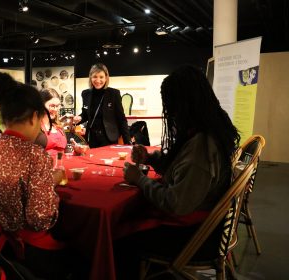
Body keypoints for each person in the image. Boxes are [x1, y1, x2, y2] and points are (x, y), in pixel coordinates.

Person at [115, 65, 241, 279]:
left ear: (183, 105)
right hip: (203, 226)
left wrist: (140, 180)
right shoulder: (206, 133)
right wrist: (151, 158)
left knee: (118, 235)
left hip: (194, 236)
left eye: (171, 105)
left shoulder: (201, 147)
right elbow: (181, 171)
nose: (170, 113)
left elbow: (176, 203)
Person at [0, 71, 69, 279]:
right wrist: (49, 184)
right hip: (28, 252)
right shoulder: (35, 156)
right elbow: (40, 219)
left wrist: (46, 180)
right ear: (34, 117)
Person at [73, 63, 131, 148]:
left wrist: (128, 141)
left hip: (109, 138)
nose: (98, 80)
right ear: (90, 77)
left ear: (106, 78)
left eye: (101, 77)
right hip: (92, 138)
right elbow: (85, 114)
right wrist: (79, 118)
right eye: (95, 77)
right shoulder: (85, 93)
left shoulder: (114, 94)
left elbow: (121, 119)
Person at [39, 88, 67, 155]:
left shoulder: (58, 126)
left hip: (61, 164)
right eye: (52, 106)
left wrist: (75, 150)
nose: (55, 109)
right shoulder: (33, 127)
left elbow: (63, 151)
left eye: (57, 106)